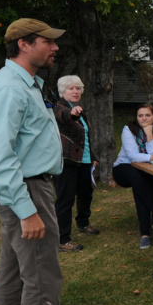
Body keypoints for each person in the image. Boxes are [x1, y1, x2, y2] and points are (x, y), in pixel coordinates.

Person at [0, 18, 82, 305]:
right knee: (40, 273)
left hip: (25, 186)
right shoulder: (10, 89)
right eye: (47, 42)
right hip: (26, 190)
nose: (54, 48)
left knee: (12, 270)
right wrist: (27, 211)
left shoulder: (26, 85)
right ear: (23, 44)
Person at [52, 75, 99, 253]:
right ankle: (62, 238)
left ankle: (83, 223)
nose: (75, 91)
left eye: (78, 88)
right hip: (66, 161)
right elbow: (62, 116)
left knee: (86, 193)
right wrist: (71, 114)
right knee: (65, 200)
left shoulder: (80, 111)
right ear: (63, 91)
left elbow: (85, 137)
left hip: (84, 161)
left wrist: (92, 155)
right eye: (71, 88)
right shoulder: (58, 108)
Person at [112, 104, 153, 249]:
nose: (144, 118)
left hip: (146, 167)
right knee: (138, 179)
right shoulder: (128, 129)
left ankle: (152, 228)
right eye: (140, 115)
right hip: (124, 167)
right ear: (136, 117)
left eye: (147, 115)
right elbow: (133, 156)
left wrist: (149, 134)